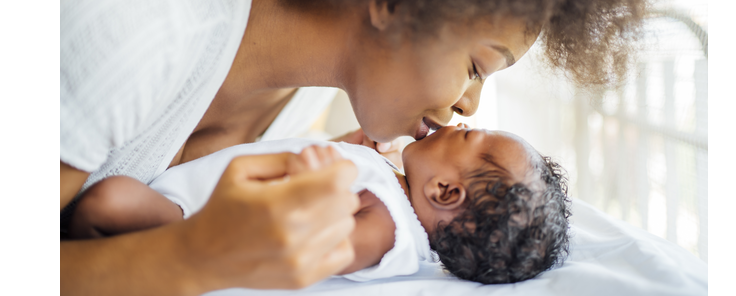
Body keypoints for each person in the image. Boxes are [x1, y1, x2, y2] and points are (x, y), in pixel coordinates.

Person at [60, 0, 649, 293]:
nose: (469, 107)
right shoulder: (137, 14)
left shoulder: (296, 102)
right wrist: (192, 256)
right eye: (477, 66)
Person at [69, 124, 570, 285]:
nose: (456, 123)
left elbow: (323, 246)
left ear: (444, 192)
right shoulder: (390, 181)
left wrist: (308, 186)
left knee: (108, 201)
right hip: (191, 199)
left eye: (467, 136)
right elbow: (344, 157)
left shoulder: (389, 228)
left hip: (194, 221)